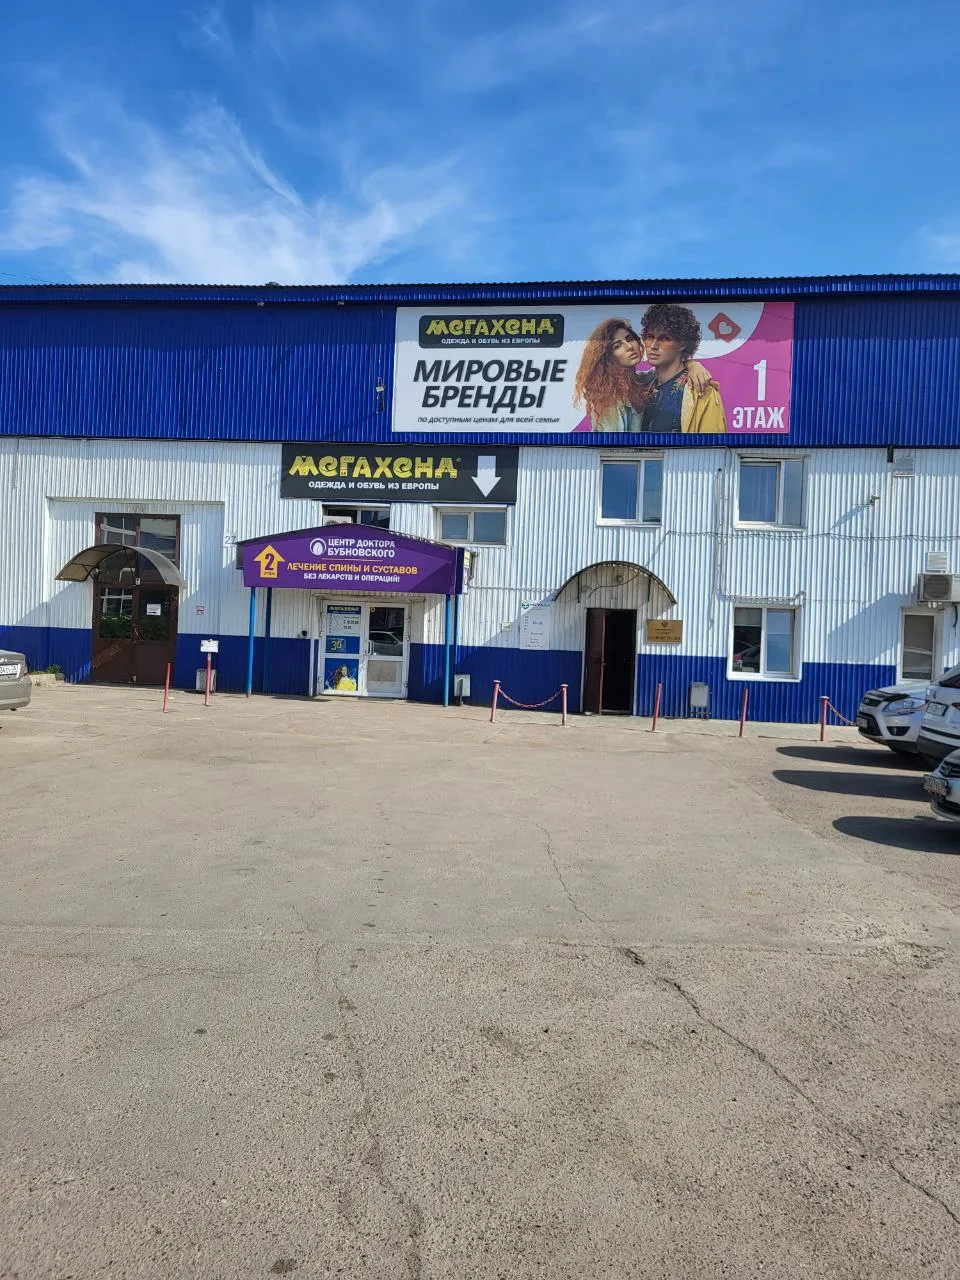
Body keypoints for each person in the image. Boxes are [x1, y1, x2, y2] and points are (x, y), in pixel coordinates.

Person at [574, 317, 715, 433]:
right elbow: (613, 451)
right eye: (618, 346)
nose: (629, 347)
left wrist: (692, 365)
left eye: (629, 339)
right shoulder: (609, 399)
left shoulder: (641, 380)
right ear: (609, 357)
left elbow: (668, 369)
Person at [637, 303, 727, 434]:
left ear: (682, 344)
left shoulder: (702, 390)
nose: (654, 345)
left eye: (664, 338)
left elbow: (713, 445)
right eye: (650, 337)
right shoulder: (641, 387)